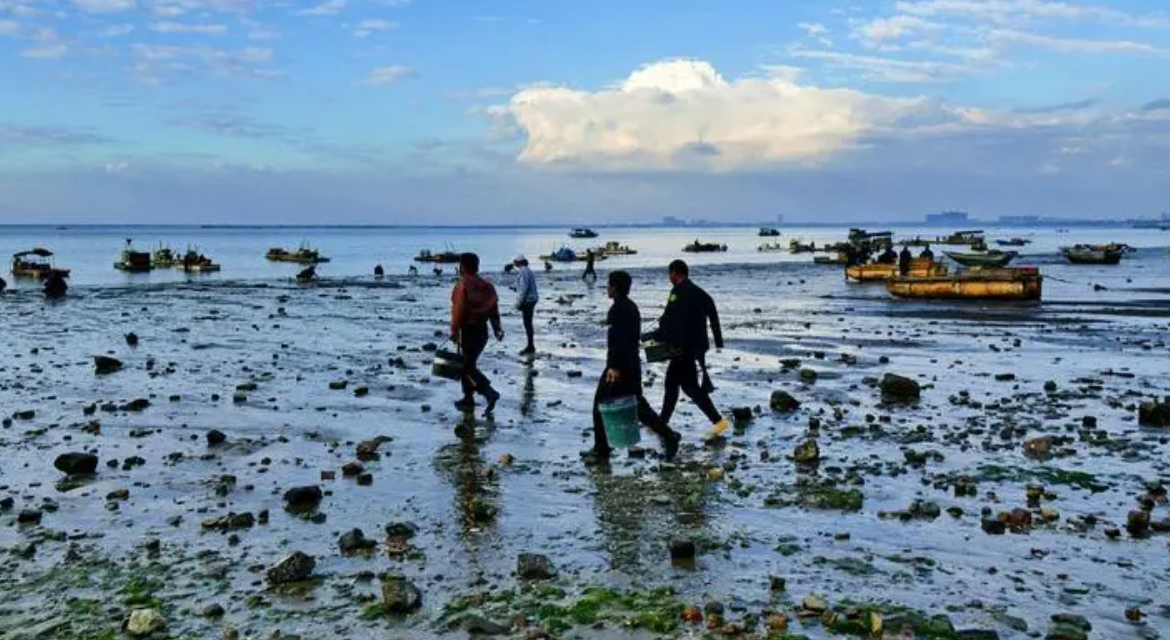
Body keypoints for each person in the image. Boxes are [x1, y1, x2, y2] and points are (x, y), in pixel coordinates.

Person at [583, 271, 681, 465]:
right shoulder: (631, 307)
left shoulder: (617, 309)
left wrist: (613, 367)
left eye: (609, 284)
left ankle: (601, 450)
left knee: (600, 404)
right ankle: (669, 436)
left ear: (615, 287)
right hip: (631, 364)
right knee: (637, 406)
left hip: (619, 366)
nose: (606, 287)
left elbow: (616, 341)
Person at [644, 260, 729, 436]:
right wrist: (718, 341)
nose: (669, 278)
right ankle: (664, 423)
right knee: (682, 387)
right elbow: (713, 314)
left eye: (670, 274)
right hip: (693, 347)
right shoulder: (699, 292)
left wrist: (655, 335)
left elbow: (671, 319)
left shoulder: (678, 292)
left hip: (681, 348)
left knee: (681, 387)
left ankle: (717, 422)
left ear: (675, 273)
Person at [450, 253, 504, 415]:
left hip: (468, 329)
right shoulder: (487, 286)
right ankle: (468, 398)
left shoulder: (462, 285)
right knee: (468, 364)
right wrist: (497, 329)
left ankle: (489, 392)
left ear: (462, 267)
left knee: (466, 366)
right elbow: (494, 309)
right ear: (477, 266)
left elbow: (459, 310)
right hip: (482, 331)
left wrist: (454, 330)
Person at [512, 255, 539, 355]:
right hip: (532, 299)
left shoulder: (523, 272)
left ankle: (530, 346)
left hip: (528, 300)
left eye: (515, 262)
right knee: (528, 323)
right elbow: (523, 286)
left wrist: (518, 304)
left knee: (527, 324)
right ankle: (530, 345)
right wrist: (515, 287)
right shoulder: (527, 270)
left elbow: (524, 289)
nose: (514, 263)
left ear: (519, 262)